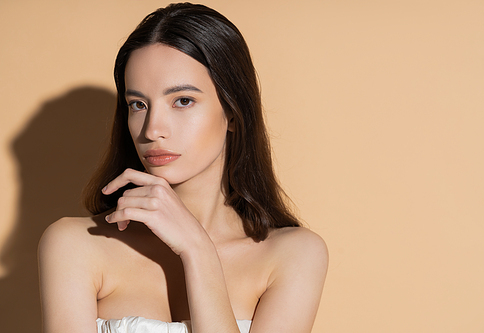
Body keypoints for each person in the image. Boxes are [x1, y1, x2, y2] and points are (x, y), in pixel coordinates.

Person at [38, 3, 328, 333]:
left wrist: (197, 250)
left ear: (232, 113)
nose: (151, 129)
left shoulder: (293, 255)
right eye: (138, 105)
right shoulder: (75, 246)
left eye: (183, 101)